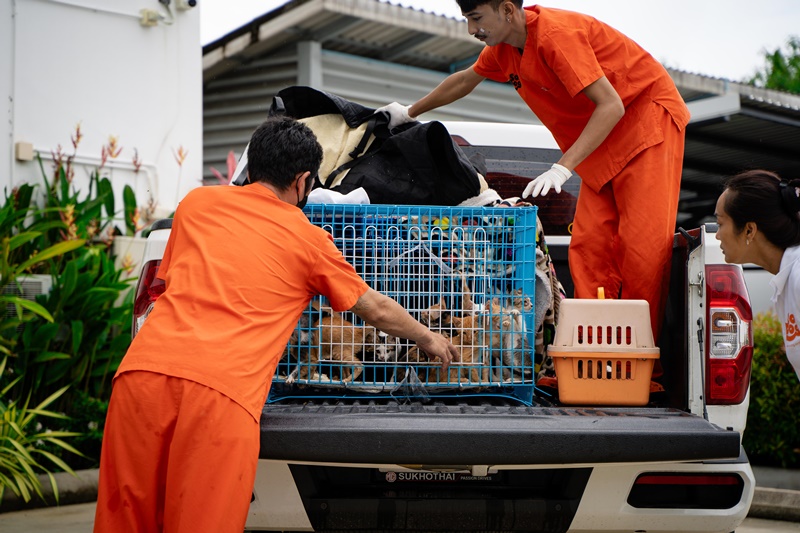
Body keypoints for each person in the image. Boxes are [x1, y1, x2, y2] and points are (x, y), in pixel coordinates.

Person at [93, 116, 457, 533]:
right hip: (220, 395)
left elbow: (176, 280)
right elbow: (372, 307)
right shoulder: (309, 240)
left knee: (122, 520)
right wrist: (430, 337)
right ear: (302, 181)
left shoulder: (195, 204)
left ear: (252, 166)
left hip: (141, 378)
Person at [379, 0, 690, 339]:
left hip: (645, 120)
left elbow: (611, 104)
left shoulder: (557, 37)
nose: (471, 30)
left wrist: (561, 168)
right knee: (588, 248)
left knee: (640, 252)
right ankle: (593, 354)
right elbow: (465, 80)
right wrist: (409, 112)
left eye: (477, 18)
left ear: (508, 10)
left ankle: (639, 363)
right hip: (606, 136)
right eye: (467, 19)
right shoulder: (504, 49)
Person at [714, 170, 800, 380]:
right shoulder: (788, 278)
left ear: (749, 230)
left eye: (720, 223)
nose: (716, 235)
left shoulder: (797, 275)